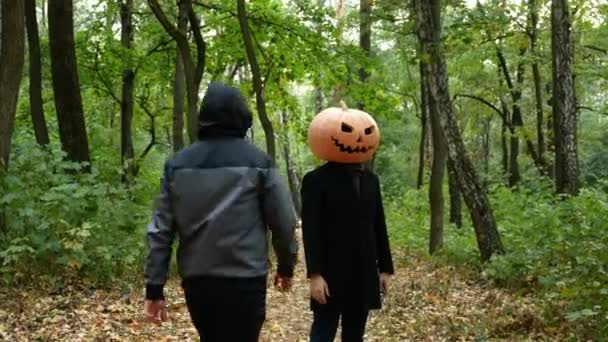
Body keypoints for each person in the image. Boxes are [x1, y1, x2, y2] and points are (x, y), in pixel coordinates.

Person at [143, 82, 298, 342]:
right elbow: (283, 221)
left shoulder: (177, 165)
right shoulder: (259, 163)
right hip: (246, 280)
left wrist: (154, 288)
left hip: (198, 281)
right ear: (242, 117)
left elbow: (161, 229)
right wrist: (286, 265)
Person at [301, 103, 394, 342]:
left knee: (355, 334)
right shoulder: (315, 181)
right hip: (331, 272)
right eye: (346, 130)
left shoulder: (371, 181)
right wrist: (315, 275)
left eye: (366, 132)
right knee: (323, 330)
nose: (359, 138)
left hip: (363, 271)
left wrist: (384, 268)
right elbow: (311, 231)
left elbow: (378, 224)